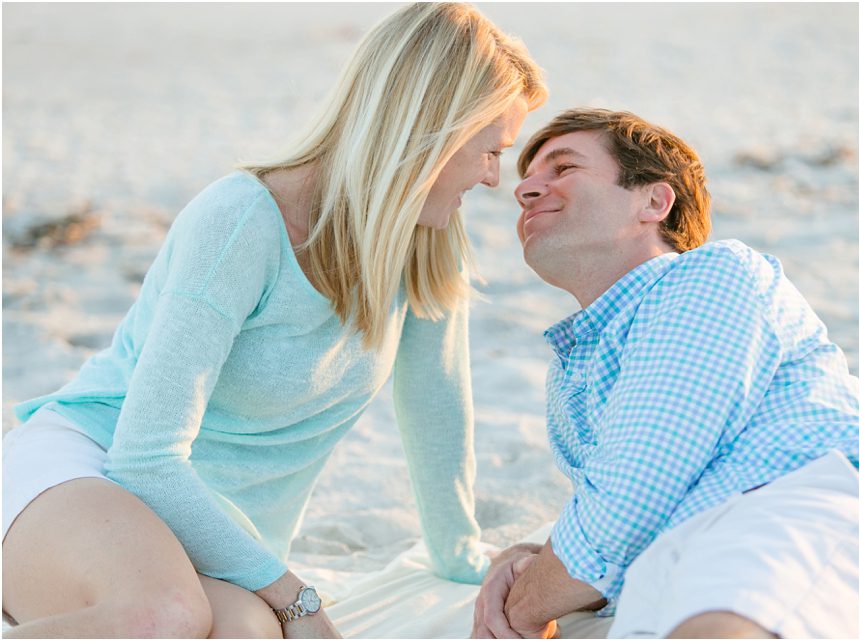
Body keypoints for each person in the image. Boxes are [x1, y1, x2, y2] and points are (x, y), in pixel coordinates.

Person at [1, 3, 547, 638]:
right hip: (93, 474)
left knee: (248, 634)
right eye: (490, 151)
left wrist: (464, 562)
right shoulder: (240, 222)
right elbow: (144, 458)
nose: (492, 179)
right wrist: (298, 598)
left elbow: (436, 411)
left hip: (211, 537)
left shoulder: (423, 245)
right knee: (163, 617)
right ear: (431, 133)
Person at [471, 108, 859, 639]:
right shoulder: (578, 366)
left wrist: (520, 605)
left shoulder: (709, 276)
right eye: (527, 179)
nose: (526, 191)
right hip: (676, 562)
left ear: (654, 201)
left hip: (795, 515)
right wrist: (527, 559)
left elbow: (633, 491)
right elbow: (618, 512)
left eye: (562, 169)